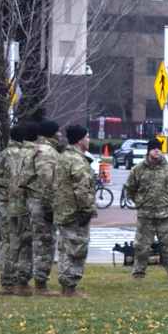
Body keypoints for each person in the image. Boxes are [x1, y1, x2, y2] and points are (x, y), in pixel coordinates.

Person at [124, 139, 168, 280]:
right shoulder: (138, 169)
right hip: (146, 215)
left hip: (165, 214)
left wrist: (167, 200)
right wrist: (140, 203)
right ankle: (138, 274)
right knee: (142, 246)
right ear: (148, 150)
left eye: (159, 148)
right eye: (154, 148)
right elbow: (130, 188)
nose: (157, 150)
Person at [19, 119, 64, 296]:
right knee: (44, 243)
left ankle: (31, 282)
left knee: (36, 242)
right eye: (58, 131)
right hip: (41, 204)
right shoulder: (47, 152)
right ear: (52, 133)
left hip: (33, 201)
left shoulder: (36, 149)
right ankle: (41, 286)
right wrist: (49, 208)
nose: (60, 134)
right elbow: (47, 183)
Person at [52, 125, 97, 297]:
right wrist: (87, 210)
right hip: (75, 212)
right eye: (87, 136)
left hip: (64, 211)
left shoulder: (64, 156)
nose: (89, 140)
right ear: (79, 140)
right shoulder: (77, 160)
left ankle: (65, 286)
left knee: (65, 249)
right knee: (77, 250)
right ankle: (70, 287)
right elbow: (82, 190)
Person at [0, 125, 25, 295]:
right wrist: (12, 192)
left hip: (8, 204)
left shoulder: (6, 153)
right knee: (11, 243)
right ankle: (9, 281)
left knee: (10, 242)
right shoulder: (14, 154)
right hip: (10, 205)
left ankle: (9, 280)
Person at [5, 122, 38, 295]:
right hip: (25, 207)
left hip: (13, 205)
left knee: (15, 245)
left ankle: (10, 280)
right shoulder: (31, 155)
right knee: (26, 245)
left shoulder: (14, 155)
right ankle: (21, 282)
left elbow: (2, 179)